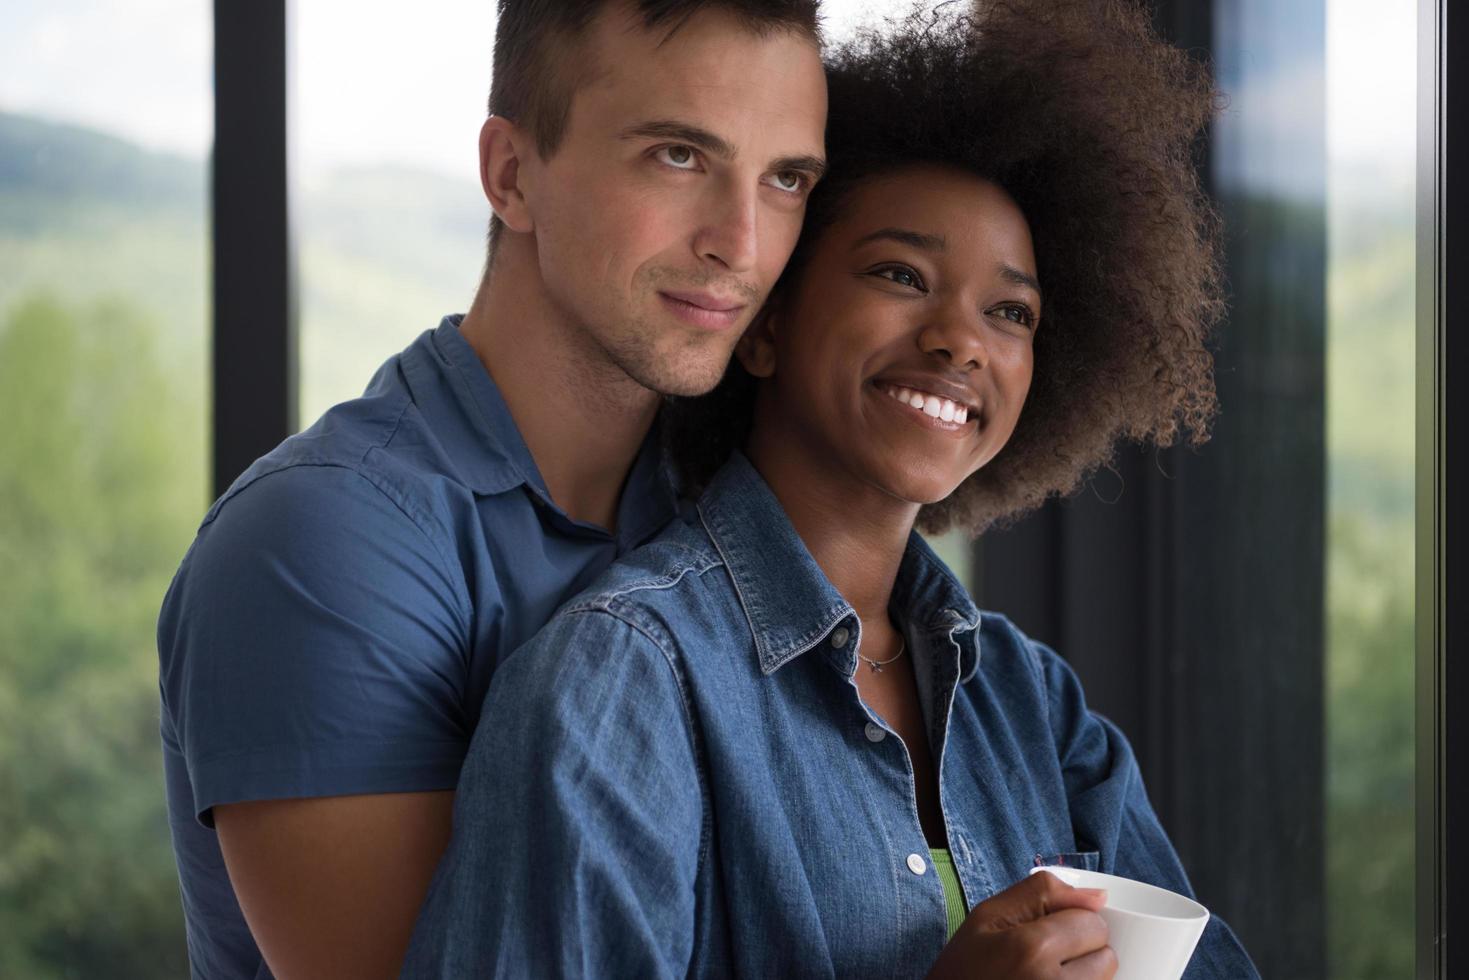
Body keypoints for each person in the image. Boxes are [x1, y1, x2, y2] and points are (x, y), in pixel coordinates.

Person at [400, 1, 1261, 977]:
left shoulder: (1030, 701)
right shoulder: (618, 683)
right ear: (762, 323)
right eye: (899, 273)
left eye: (1010, 310)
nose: (959, 340)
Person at [156, 2, 827, 976]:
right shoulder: (321, 547)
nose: (743, 241)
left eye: (785, 178)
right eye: (679, 156)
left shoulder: (728, 501)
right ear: (511, 176)